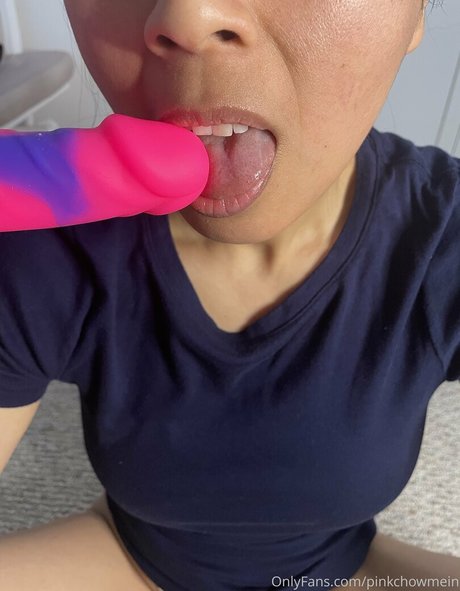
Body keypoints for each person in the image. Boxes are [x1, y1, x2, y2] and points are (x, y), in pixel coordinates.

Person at [0, 0, 459, 590]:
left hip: (342, 571)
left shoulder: (441, 234)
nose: (188, 16)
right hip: (128, 557)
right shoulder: (50, 239)